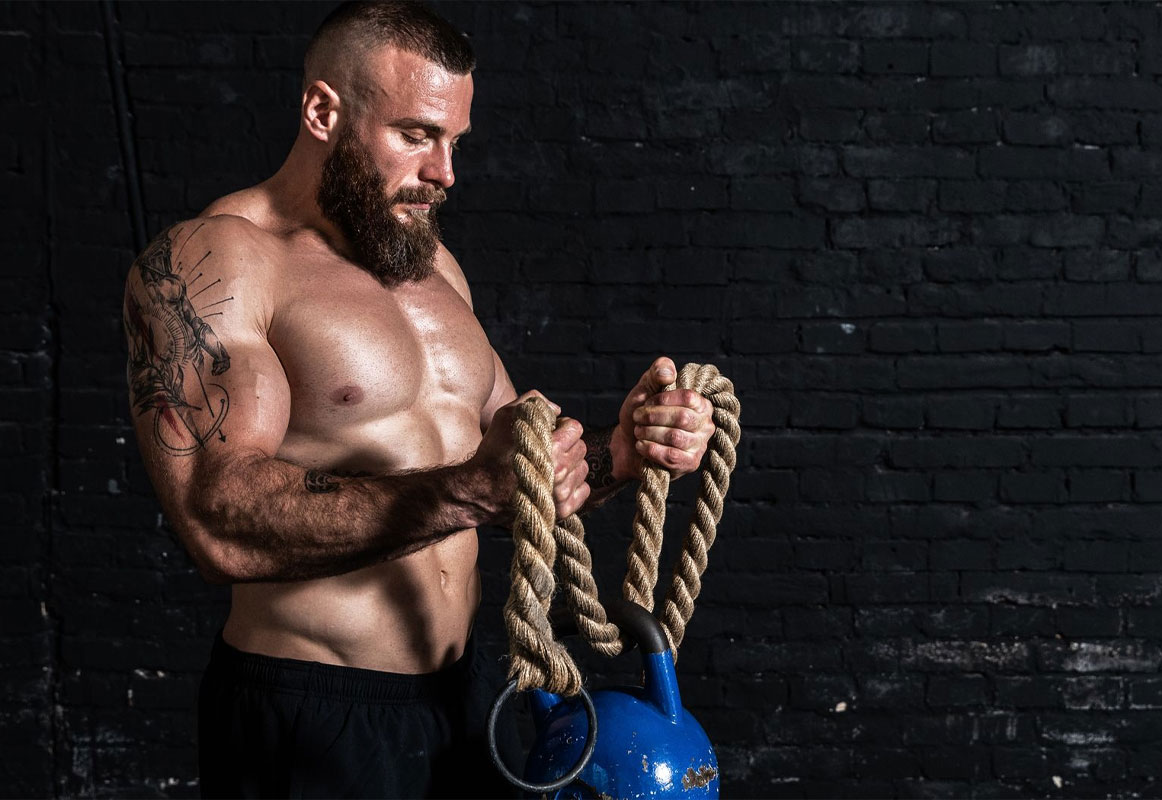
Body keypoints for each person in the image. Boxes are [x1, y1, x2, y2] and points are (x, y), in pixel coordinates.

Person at [121, 1, 717, 797]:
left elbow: (514, 470)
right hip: (311, 710)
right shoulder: (219, 262)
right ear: (325, 111)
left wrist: (621, 450)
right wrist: (468, 492)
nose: (445, 173)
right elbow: (214, 518)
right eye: (415, 135)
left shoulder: (434, 267)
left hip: (460, 702)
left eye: (453, 142)